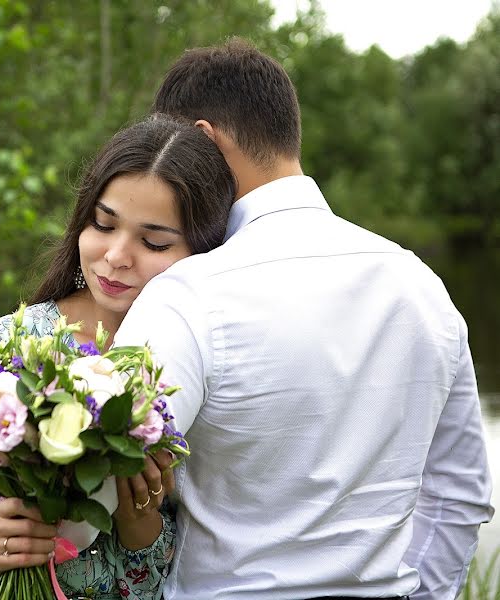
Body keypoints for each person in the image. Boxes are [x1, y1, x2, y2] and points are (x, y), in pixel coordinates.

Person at [114, 38, 495, 599]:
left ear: (200, 140)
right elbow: (459, 494)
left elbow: (108, 468)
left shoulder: (187, 295)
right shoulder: (422, 286)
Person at [0, 114, 236, 600]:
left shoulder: (186, 369)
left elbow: (154, 576)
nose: (117, 255)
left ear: (204, 252)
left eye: (154, 242)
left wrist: (137, 518)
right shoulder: (1, 353)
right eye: (103, 224)